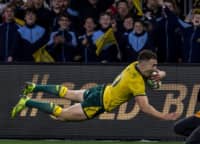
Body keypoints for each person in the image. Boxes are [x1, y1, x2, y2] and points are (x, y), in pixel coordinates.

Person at [11, 50, 180, 122]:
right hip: (99, 103)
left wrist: (159, 74)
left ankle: (34, 87)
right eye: (153, 65)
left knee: (68, 93)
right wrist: (162, 116)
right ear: (143, 64)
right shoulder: (135, 81)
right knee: (62, 116)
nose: (155, 67)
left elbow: (158, 73)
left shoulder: (135, 65)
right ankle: (26, 102)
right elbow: (144, 107)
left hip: (101, 90)